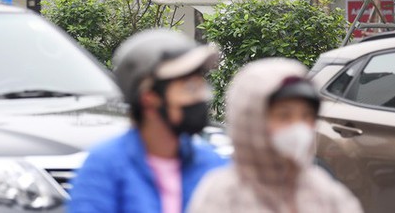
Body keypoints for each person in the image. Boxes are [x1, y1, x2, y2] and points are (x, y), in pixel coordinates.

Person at [68, 29, 227, 213]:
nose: (200, 97)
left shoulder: (211, 164)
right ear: (149, 99)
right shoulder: (105, 166)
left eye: (201, 86)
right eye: (189, 88)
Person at [187, 57, 363, 213]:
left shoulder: (324, 192)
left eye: (306, 116)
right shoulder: (222, 196)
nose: (298, 128)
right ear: (251, 121)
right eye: (284, 116)